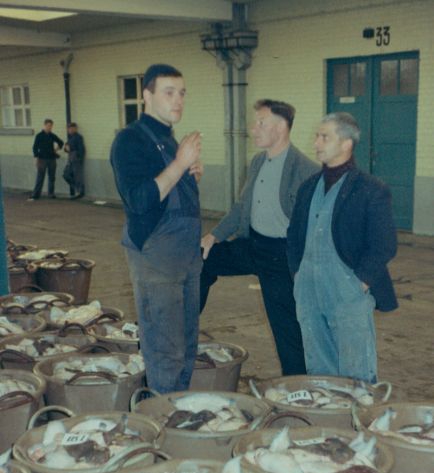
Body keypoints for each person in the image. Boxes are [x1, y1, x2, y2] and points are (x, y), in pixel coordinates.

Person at [200, 99, 318, 375]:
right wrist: (215, 235)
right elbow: (242, 207)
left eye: (260, 122)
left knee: (286, 328)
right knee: (202, 257)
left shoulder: (306, 171)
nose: (253, 129)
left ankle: (296, 385)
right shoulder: (257, 162)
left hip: (282, 255)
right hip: (252, 244)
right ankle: (183, 328)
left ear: (279, 127)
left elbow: (314, 228)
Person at [110, 63, 202, 394]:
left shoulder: (167, 138)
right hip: (156, 256)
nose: (178, 100)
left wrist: (187, 175)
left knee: (187, 345)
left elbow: (167, 191)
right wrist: (179, 164)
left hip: (186, 256)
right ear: (147, 95)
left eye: (181, 93)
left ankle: (177, 415)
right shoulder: (130, 140)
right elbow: (140, 200)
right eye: (168, 92)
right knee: (165, 351)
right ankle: (164, 425)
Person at [287, 112, 398, 383]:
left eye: (324, 136)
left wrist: (358, 283)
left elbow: (384, 245)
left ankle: (359, 421)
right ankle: (328, 421)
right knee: (319, 366)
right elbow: (293, 237)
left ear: (347, 143)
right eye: (317, 136)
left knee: (356, 370)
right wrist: (298, 275)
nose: (316, 143)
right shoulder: (308, 187)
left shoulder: (371, 190)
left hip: (348, 290)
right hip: (309, 289)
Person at [28, 119, 63, 200]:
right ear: (44, 125)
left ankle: (51, 194)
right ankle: (36, 194)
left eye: (51, 126)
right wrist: (36, 158)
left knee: (52, 177)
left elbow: (61, 142)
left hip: (52, 159)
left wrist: (56, 149)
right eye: (48, 125)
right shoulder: (39, 136)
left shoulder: (52, 135)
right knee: (40, 177)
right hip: (42, 159)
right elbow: (35, 148)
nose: (49, 127)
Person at [64, 122, 85, 198]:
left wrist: (79, 158)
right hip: (70, 159)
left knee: (77, 176)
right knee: (66, 175)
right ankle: (77, 189)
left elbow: (81, 149)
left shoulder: (78, 137)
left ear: (75, 129)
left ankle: (80, 192)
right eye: (69, 128)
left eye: (71, 128)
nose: (70, 130)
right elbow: (66, 148)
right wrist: (66, 149)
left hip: (76, 159)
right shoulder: (70, 138)